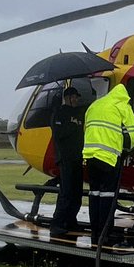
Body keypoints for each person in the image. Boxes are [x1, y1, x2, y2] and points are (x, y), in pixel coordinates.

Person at [81, 82, 134, 245]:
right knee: (107, 196)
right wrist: (126, 149)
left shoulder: (95, 105)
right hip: (109, 158)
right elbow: (131, 135)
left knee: (94, 194)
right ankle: (105, 233)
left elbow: (86, 129)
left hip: (90, 156)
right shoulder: (123, 107)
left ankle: (95, 231)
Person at [49, 86, 86, 240]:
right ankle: (56, 223)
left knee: (77, 192)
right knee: (66, 192)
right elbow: (59, 134)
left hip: (77, 157)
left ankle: (71, 220)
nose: (77, 99)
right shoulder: (60, 113)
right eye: (75, 97)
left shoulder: (77, 113)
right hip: (65, 158)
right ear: (68, 98)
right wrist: (72, 126)